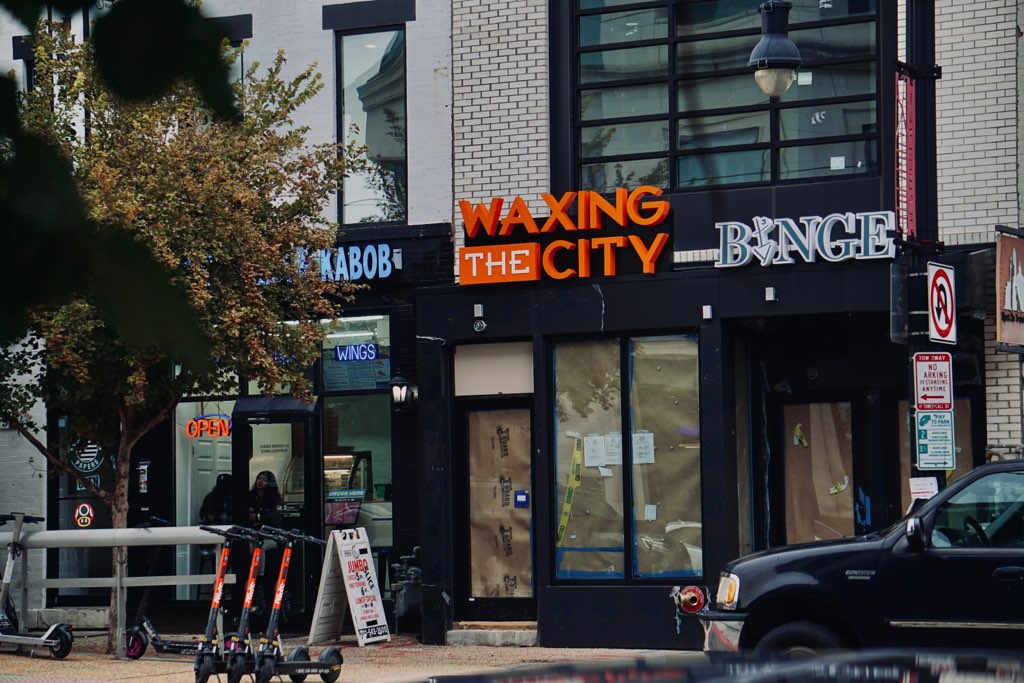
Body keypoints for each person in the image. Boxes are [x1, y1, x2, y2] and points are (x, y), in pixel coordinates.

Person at [247, 470, 282, 619]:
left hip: (270, 537)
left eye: (264, 479)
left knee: (258, 549)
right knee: (250, 547)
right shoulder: (250, 497)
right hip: (252, 535)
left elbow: (276, 518)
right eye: (258, 478)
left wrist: (259, 517)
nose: (260, 481)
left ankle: (259, 588)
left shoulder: (274, 499)